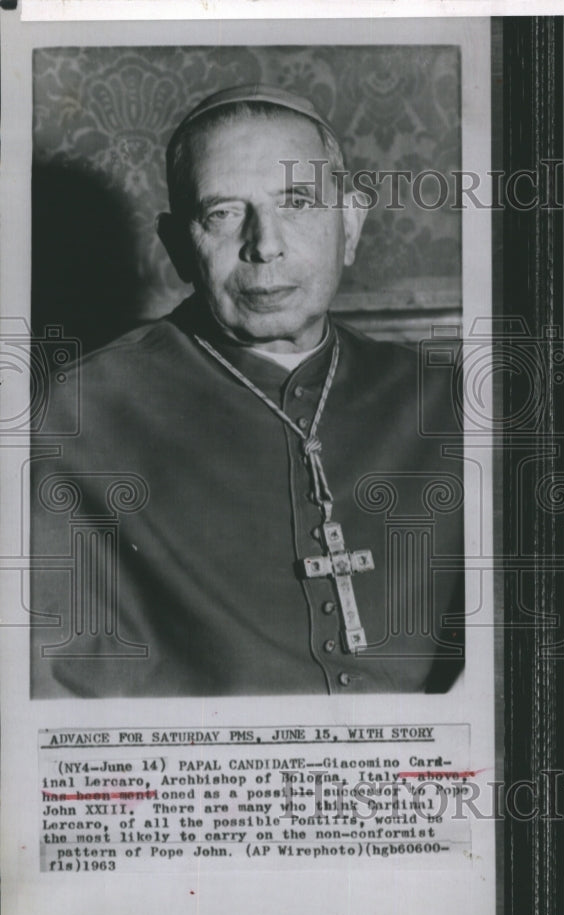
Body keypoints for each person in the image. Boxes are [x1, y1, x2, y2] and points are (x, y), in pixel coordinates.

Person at [30, 84, 464, 697]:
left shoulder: (451, 402)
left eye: (297, 202)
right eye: (223, 213)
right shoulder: (76, 416)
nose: (264, 245)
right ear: (180, 247)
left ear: (350, 222)